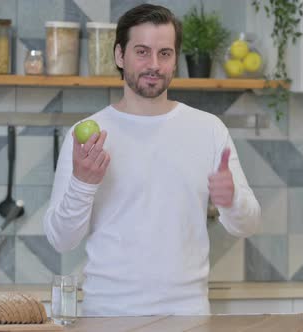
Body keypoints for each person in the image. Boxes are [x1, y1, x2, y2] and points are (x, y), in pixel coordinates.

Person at [43, 4, 261, 316]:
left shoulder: (209, 129)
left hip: (189, 317)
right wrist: (82, 183)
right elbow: (61, 240)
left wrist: (231, 200)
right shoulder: (86, 136)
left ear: (175, 59)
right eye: (142, 52)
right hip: (108, 316)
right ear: (120, 56)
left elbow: (249, 225)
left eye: (165, 53)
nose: (154, 65)